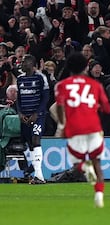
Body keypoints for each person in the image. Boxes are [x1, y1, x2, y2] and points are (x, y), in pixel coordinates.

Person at [54, 52, 110, 208]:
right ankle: (99, 197)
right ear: (86, 67)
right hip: (94, 128)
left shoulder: (61, 86)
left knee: (78, 164)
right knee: (97, 163)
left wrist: (61, 125)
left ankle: (87, 171)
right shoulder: (96, 85)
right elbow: (107, 109)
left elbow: (59, 107)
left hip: (75, 130)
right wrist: (96, 106)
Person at [16, 54, 49, 184]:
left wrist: (37, 113)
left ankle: (39, 176)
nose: (22, 64)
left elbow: (46, 97)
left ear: (31, 64)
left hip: (38, 116)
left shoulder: (41, 77)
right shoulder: (19, 79)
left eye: (24, 62)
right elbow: (18, 98)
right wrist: (19, 113)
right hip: (24, 117)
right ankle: (32, 173)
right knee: (30, 145)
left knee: (36, 140)